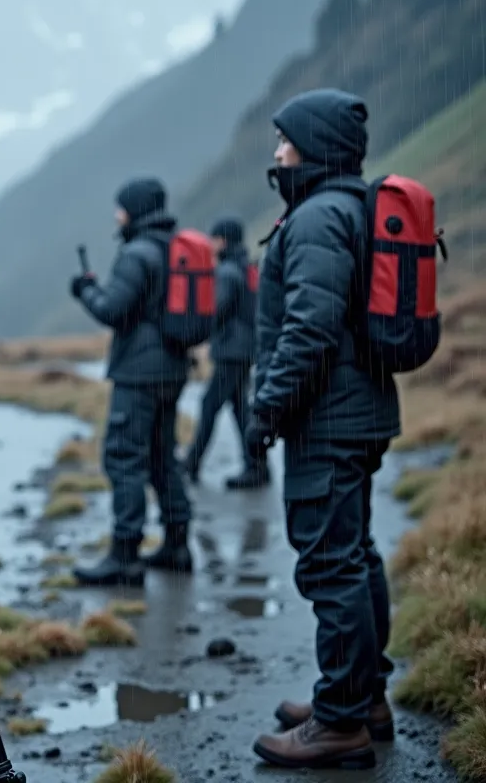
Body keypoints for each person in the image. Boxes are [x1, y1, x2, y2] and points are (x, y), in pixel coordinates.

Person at [248, 90, 399, 771]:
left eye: (284, 139)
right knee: (355, 556)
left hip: (329, 421)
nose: (276, 152)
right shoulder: (350, 207)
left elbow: (310, 328)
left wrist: (268, 409)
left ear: (310, 144)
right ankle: (360, 697)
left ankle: (340, 722)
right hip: (357, 412)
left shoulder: (317, 218)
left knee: (331, 566)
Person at [69, 178, 191, 585]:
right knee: (162, 457)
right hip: (172, 370)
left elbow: (112, 311)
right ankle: (178, 544)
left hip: (139, 374)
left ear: (135, 210)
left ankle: (125, 556)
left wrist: (85, 290)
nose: (117, 215)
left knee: (124, 458)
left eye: (121, 208)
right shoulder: (173, 248)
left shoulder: (137, 253)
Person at [181, 216, 267, 488]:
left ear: (223, 240)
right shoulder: (245, 267)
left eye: (214, 238)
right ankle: (257, 467)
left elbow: (216, 310)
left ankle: (192, 464)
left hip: (232, 351)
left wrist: (193, 336)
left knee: (210, 406)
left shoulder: (227, 272)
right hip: (243, 349)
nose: (210, 243)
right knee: (241, 410)